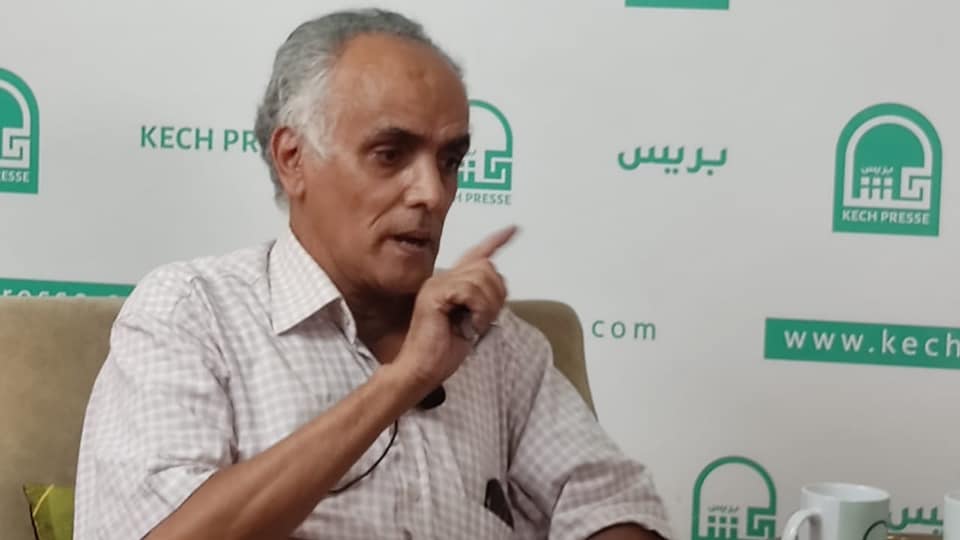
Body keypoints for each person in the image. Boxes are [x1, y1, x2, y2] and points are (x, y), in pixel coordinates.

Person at [74, 8, 673, 540]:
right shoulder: (193, 313)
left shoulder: (499, 346)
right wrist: (404, 381)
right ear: (293, 159)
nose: (432, 192)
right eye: (390, 155)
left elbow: (611, 505)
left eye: (450, 160)